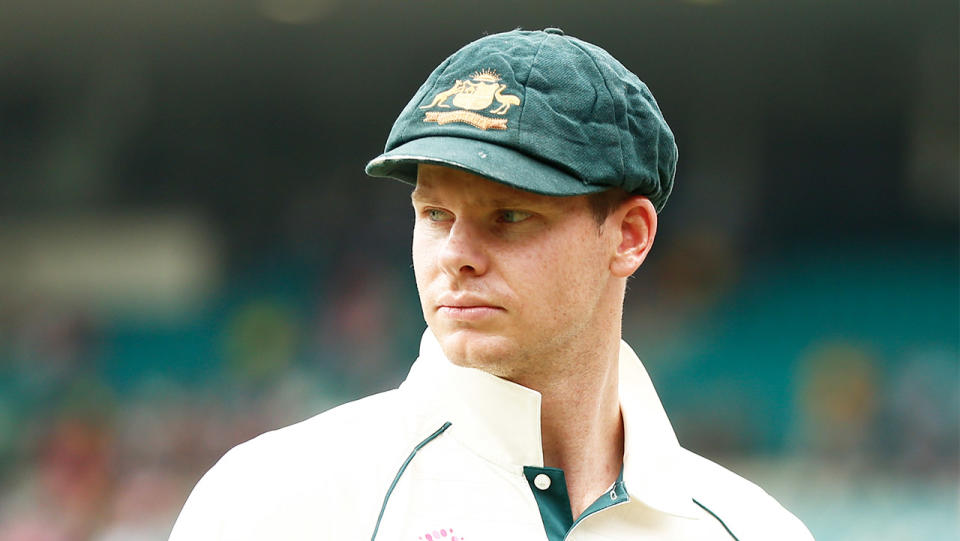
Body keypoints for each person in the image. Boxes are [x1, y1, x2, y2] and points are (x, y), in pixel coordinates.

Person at [170, 28, 813, 540]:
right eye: (435, 214)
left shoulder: (750, 529)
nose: (456, 255)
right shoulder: (274, 503)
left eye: (510, 216)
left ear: (629, 236)